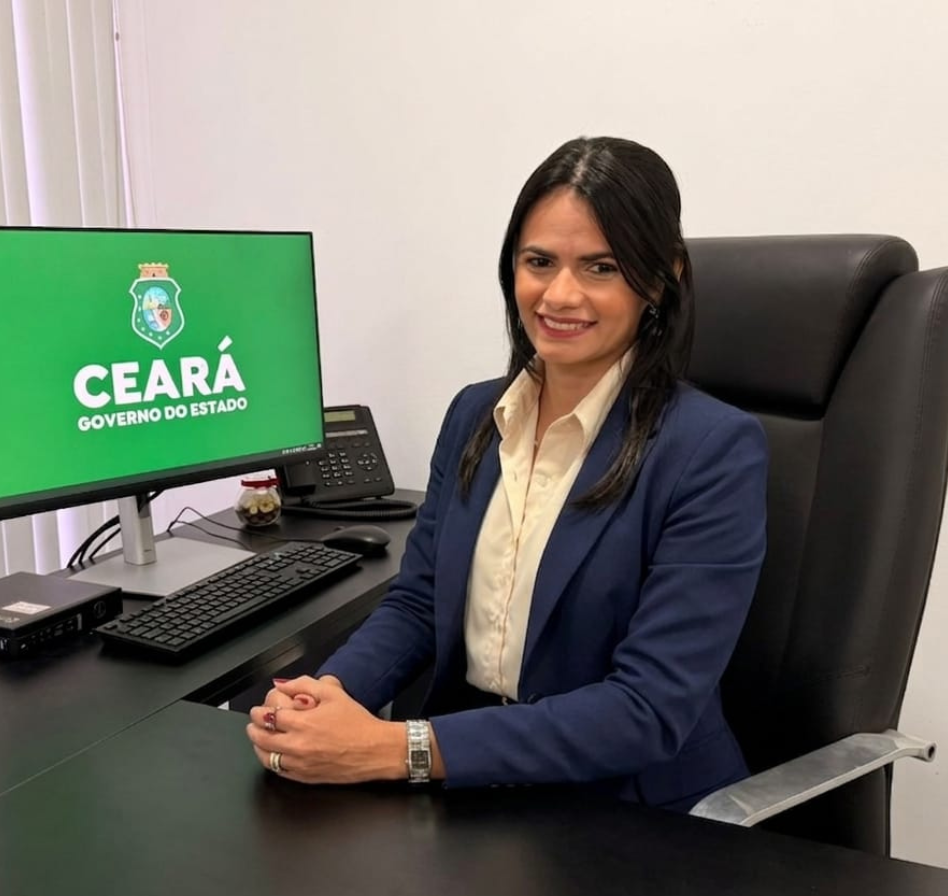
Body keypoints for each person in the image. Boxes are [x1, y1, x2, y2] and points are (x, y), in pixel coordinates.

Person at [245, 136, 768, 811]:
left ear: (661, 279)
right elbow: (418, 602)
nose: (560, 294)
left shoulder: (712, 449)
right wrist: (328, 698)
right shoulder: (475, 414)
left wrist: (394, 748)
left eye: (602, 267)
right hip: (469, 780)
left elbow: (647, 709)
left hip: (627, 809)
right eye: (538, 262)